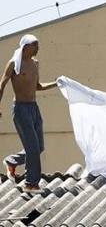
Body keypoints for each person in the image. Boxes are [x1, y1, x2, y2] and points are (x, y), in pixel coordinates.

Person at [0, 34, 58, 194]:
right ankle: (31, 183)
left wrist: (55, 84)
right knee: (32, 147)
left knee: (38, 146)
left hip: (34, 108)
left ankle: (11, 162)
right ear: (25, 47)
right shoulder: (13, 64)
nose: (38, 48)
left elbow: (37, 86)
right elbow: (2, 84)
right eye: (35, 45)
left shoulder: (35, 64)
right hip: (21, 109)